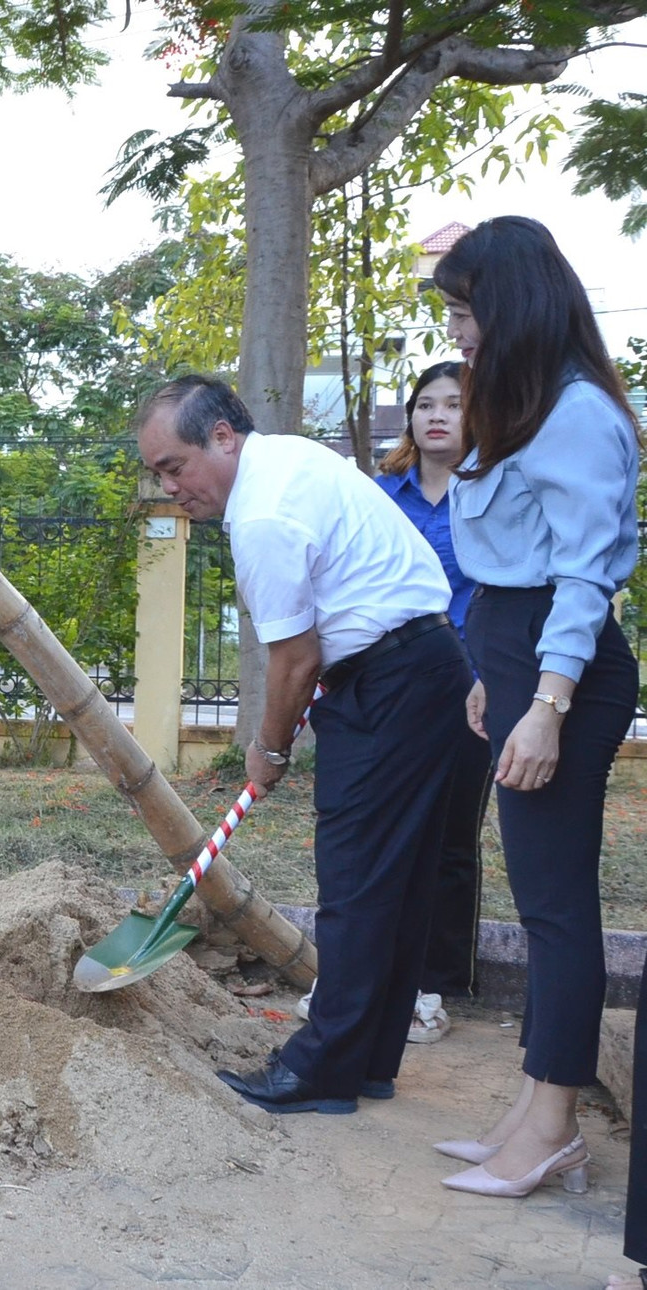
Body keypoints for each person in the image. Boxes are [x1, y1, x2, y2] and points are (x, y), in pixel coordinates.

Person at [136, 374, 472, 1116]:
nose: (169, 488)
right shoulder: (290, 458)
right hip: (421, 668)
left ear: (222, 437)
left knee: (355, 881)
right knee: (398, 880)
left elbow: (295, 659)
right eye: (158, 473)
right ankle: (367, 1060)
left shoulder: (263, 515)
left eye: (174, 467)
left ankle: (320, 1070)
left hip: (390, 682)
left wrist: (270, 748)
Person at [425, 216, 640, 1202]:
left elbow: (583, 580)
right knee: (543, 904)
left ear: (511, 305)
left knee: (557, 915)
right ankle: (527, 1111)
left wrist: (545, 705)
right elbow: (509, 566)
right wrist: (489, 676)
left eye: (467, 311)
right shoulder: (518, 402)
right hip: (516, 654)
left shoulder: (579, 413)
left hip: (568, 668)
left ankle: (552, 1129)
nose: (458, 330)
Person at [373, 361, 493, 1044]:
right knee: (387, 835)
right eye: (425, 404)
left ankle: (435, 985)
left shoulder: (495, 491)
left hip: (474, 689)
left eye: (453, 403)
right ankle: (377, 971)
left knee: (450, 842)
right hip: (395, 689)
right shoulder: (385, 496)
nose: (437, 415)